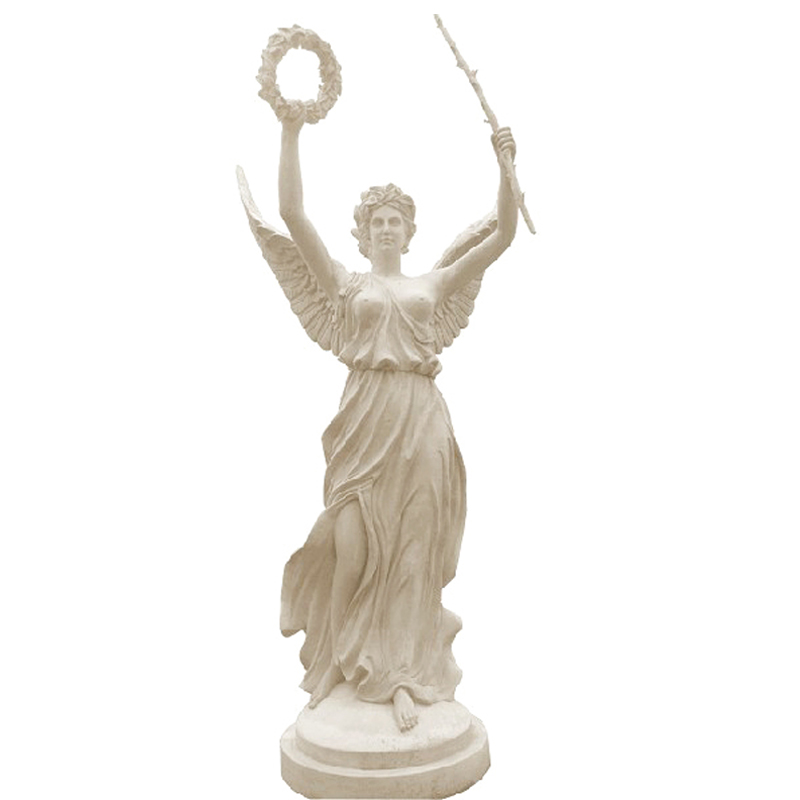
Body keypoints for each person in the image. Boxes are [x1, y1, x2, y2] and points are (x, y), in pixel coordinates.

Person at [266, 112, 518, 733]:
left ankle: (401, 675)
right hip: (364, 419)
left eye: (394, 222)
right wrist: (291, 130)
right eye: (376, 221)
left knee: (412, 552)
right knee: (350, 545)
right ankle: (337, 658)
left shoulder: (435, 281)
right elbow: (292, 214)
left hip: (421, 417)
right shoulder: (344, 282)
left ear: (408, 233)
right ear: (362, 233)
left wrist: (505, 166)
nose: (385, 229)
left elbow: (502, 236)